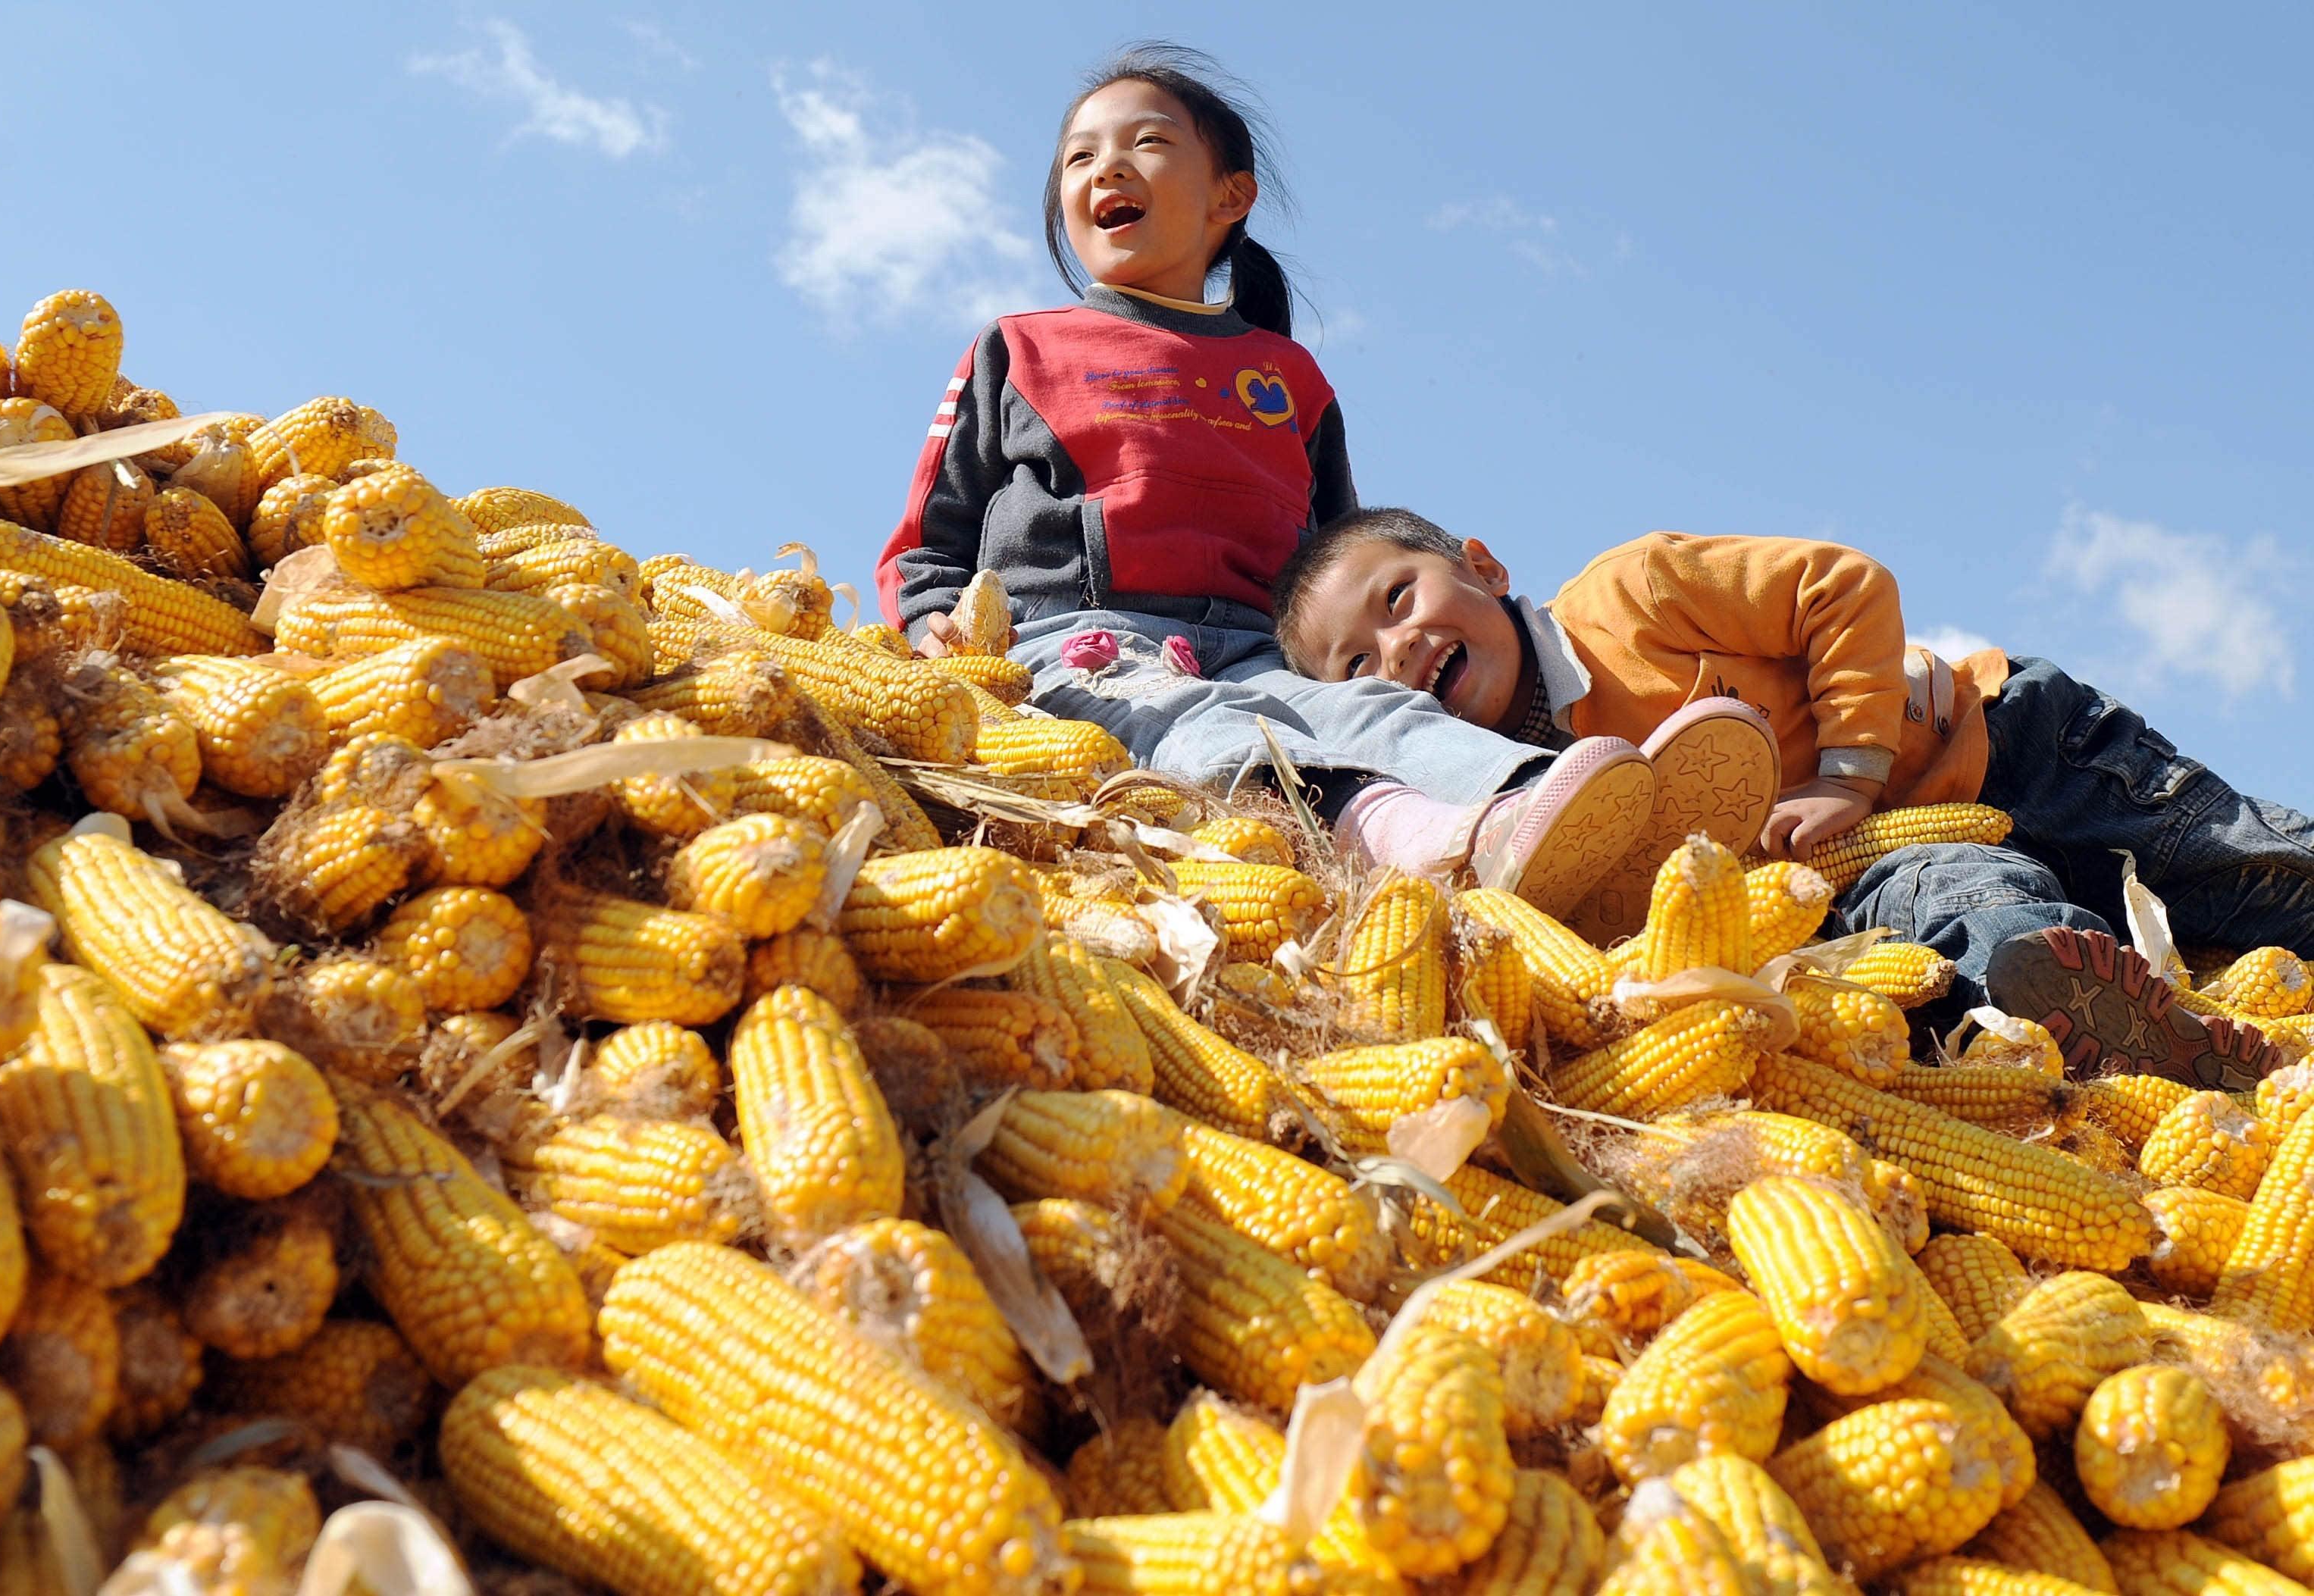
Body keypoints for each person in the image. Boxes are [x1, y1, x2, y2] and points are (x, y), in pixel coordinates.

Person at [872, 44, 1780, 918]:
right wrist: (926, 622)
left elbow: (1332, 564)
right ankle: (1419, 838)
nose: (1105, 168)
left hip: (1257, 646)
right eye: (1079, 158)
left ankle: (1550, 803)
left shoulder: (1289, 381)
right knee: (1199, 730)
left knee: (1371, 707)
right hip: (1081, 640)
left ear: (1232, 196)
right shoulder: (1022, 348)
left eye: (1145, 143)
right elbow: (932, 532)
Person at [1271, 507, 2314, 1088]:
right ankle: (2109, 1032)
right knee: (1971, 911)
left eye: (1399, 599)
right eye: (1358, 663)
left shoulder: (1630, 593)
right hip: (1891, 860)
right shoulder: (1533, 810)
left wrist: (1846, 771)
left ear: (1484, 565)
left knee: (2243, 864)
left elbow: (1842, 584)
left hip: (1999, 743)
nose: (1398, 649)